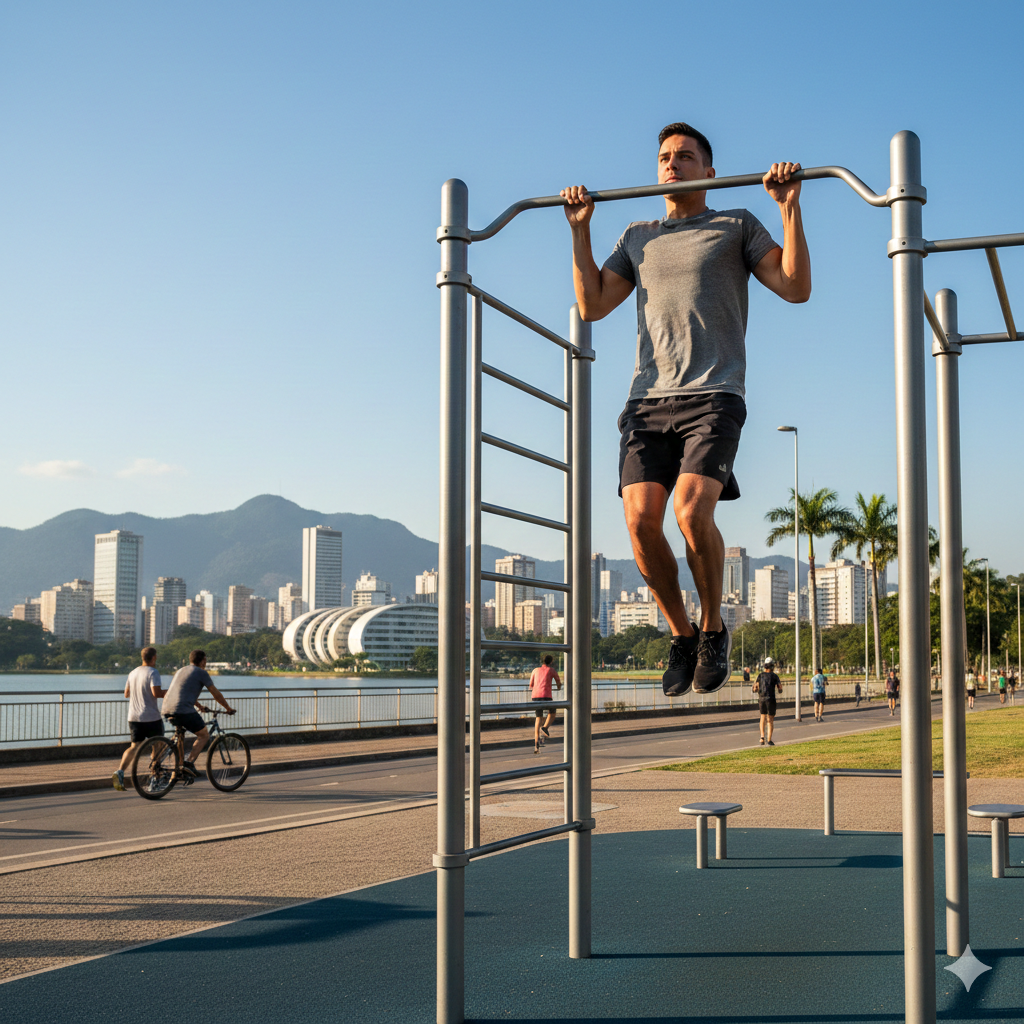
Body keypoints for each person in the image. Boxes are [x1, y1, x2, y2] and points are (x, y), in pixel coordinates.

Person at [561, 122, 810, 700]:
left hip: (715, 393)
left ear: (709, 171)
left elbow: (796, 287)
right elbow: (593, 304)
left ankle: (714, 629)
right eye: (665, 157)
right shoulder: (636, 235)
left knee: (691, 511)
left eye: (685, 156)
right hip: (647, 400)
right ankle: (682, 634)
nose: (672, 164)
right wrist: (581, 233)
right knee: (639, 521)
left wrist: (789, 209)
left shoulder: (736, 225)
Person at [160, 649, 236, 778]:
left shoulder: (181, 670)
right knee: (203, 735)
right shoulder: (202, 673)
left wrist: (199, 706)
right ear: (203, 660)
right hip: (182, 710)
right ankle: (189, 763)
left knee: (180, 735)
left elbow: (184, 692)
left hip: (166, 708)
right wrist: (228, 708)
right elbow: (215, 693)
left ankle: (178, 770)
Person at [112, 646, 166, 791]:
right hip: (151, 717)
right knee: (158, 746)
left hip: (134, 716)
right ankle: (155, 779)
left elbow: (126, 693)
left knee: (134, 747)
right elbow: (157, 693)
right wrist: (172, 692)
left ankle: (120, 772)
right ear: (154, 658)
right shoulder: (153, 672)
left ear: (142, 657)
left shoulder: (133, 672)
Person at [528, 655, 562, 754]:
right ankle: (545, 727)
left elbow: (531, 684)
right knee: (552, 712)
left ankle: (536, 744)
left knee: (538, 718)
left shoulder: (535, 670)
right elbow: (558, 683)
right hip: (546, 696)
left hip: (535, 696)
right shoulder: (551, 670)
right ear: (551, 662)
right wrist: (559, 688)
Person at [753, 657, 782, 745]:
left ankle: (762, 738)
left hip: (761, 699)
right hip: (771, 699)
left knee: (762, 717)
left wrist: (755, 689)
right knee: (770, 720)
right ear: (772, 666)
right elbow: (780, 688)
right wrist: (779, 690)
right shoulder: (775, 676)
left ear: (764, 666)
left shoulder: (760, 675)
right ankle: (769, 739)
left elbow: (755, 688)